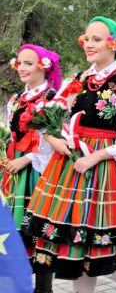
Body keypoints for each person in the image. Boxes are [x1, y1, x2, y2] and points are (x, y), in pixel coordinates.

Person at [24, 16, 116, 293]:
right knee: (77, 249)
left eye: (96, 39)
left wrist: (93, 157)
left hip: (104, 172)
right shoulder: (77, 80)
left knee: (97, 248)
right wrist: (55, 140)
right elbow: (49, 116)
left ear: (114, 44)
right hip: (70, 167)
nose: (89, 43)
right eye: (86, 38)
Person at [2, 44, 61, 293]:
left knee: (40, 229)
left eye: (28, 63)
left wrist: (25, 160)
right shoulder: (15, 100)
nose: (22, 69)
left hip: (41, 171)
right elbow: (10, 136)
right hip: (13, 173)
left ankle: (44, 287)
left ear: (43, 66)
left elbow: (53, 141)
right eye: (20, 64)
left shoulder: (52, 99)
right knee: (15, 231)